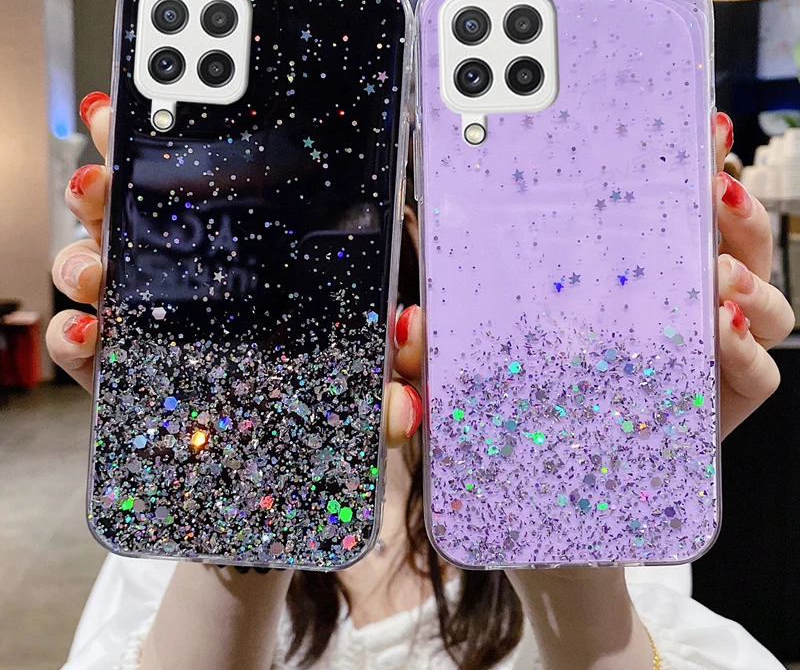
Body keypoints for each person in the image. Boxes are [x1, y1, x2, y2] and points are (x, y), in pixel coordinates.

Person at [51, 95, 793, 670]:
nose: (312, 264)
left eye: (343, 219)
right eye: (270, 231)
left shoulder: (589, 473)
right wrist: (249, 497)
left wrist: (562, 514)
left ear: (414, 226)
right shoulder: (178, 502)